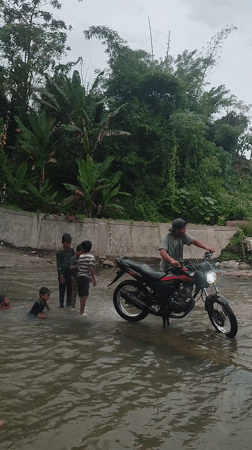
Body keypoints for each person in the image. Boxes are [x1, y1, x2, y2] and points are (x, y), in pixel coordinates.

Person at [77, 240, 97, 315]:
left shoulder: (81, 256)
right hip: (85, 278)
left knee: (81, 295)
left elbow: (80, 267)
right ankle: (81, 312)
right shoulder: (92, 257)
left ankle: (81, 310)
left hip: (79, 277)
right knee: (85, 296)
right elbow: (91, 269)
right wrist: (94, 279)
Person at [56, 233, 75, 308]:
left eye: (70, 243)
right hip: (63, 274)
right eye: (67, 243)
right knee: (62, 291)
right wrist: (60, 275)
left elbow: (73, 260)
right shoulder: (59, 253)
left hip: (70, 273)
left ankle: (68, 305)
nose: (68, 244)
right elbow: (58, 265)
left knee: (70, 291)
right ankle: (61, 306)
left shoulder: (71, 250)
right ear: (63, 242)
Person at [70, 244, 82, 308]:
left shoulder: (82, 259)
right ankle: (73, 306)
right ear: (77, 251)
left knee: (80, 293)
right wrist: (76, 266)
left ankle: (80, 306)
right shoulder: (73, 258)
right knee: (74, 293)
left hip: (80, 278)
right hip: (74, 277)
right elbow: (70, 267)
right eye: (80, 252)